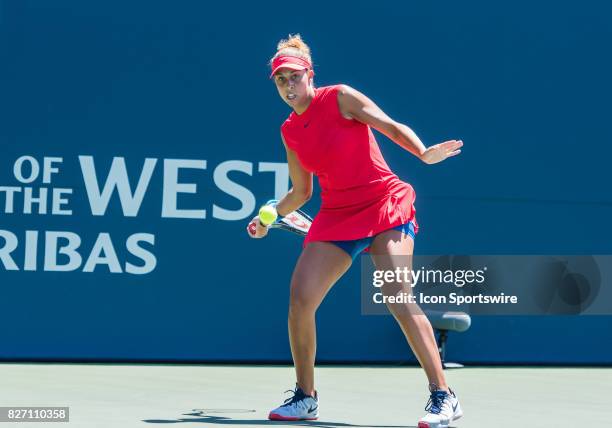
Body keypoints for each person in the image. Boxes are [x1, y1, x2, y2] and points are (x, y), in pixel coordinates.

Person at [247, 33, 464, 428]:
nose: (288, 86)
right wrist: (269, 215)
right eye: (281, 81)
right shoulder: (290, 131)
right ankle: (305, 398)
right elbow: (302, 191)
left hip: (385, 202)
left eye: (294, 77)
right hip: (338, 213)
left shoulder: (341, 97)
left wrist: (423, 153)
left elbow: (389, 126)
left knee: (396, 294)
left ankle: (443, 395)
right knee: (301, 299)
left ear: (310, 75)